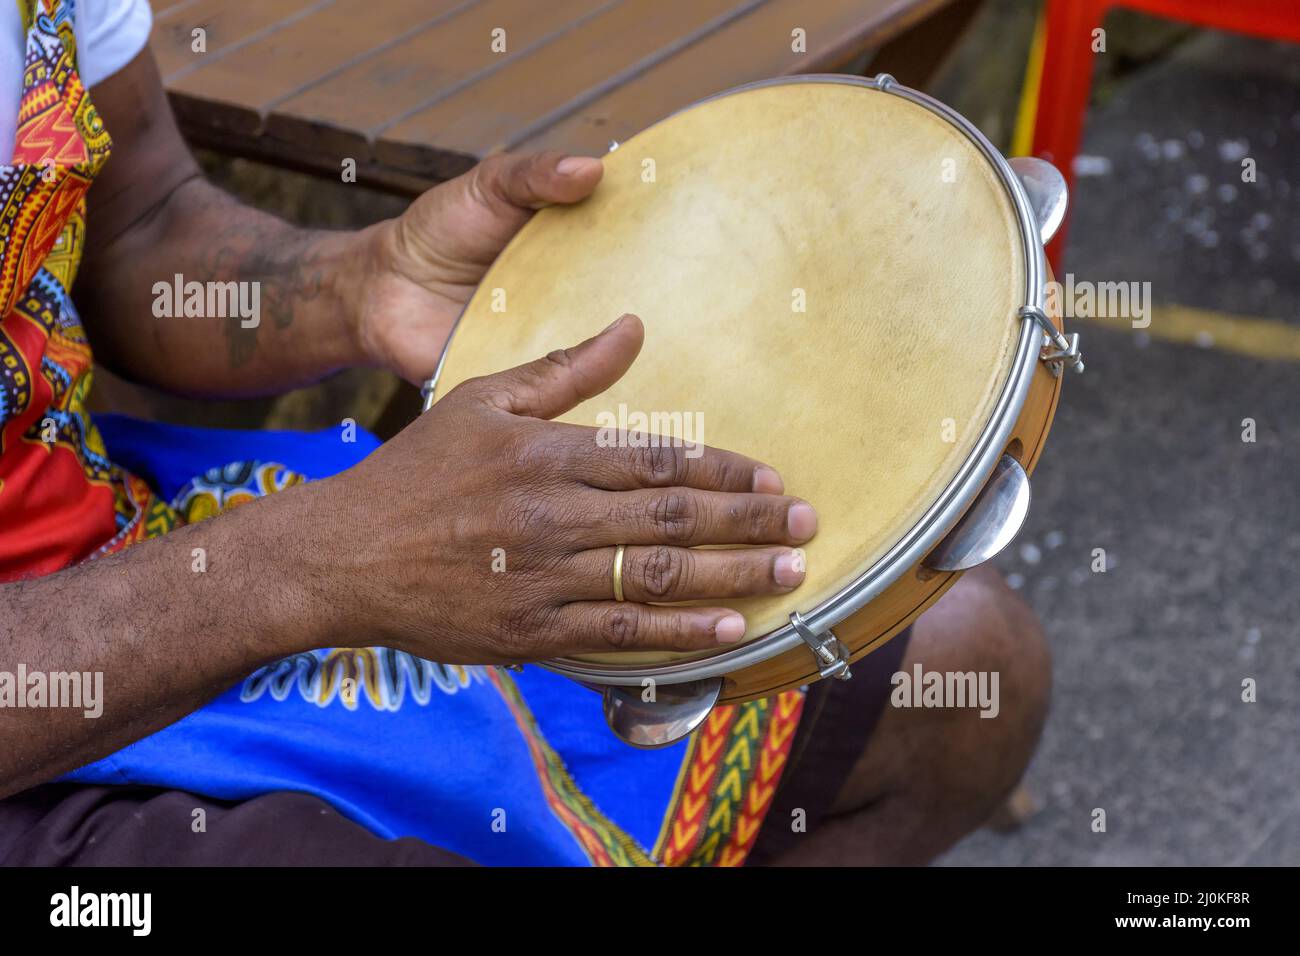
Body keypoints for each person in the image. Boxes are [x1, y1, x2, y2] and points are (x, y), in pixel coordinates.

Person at [0, 0, 1050, 866]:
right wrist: (312, 561)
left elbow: (140, 223)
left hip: (118, 536)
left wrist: (361, 287)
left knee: (964, 677)